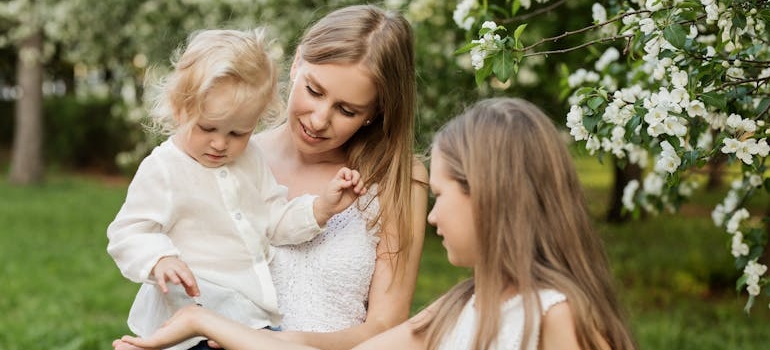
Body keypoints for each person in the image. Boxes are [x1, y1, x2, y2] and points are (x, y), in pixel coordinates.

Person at [114, 97, 637, 350]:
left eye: (440, 196)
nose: (430, 215)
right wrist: (202, 322)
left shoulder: (556, 315)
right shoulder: (462, 306)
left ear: (491, 197)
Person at [107, 28, 365, 350]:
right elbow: (128, 232)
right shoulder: (164, 168)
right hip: (187, 328)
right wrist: (159, 259)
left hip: (249, 322)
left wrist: (320, 209)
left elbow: (273, 220)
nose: (220, 143)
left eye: (238, 132)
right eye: (208, 128)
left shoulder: (250, 160)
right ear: (178, 107)